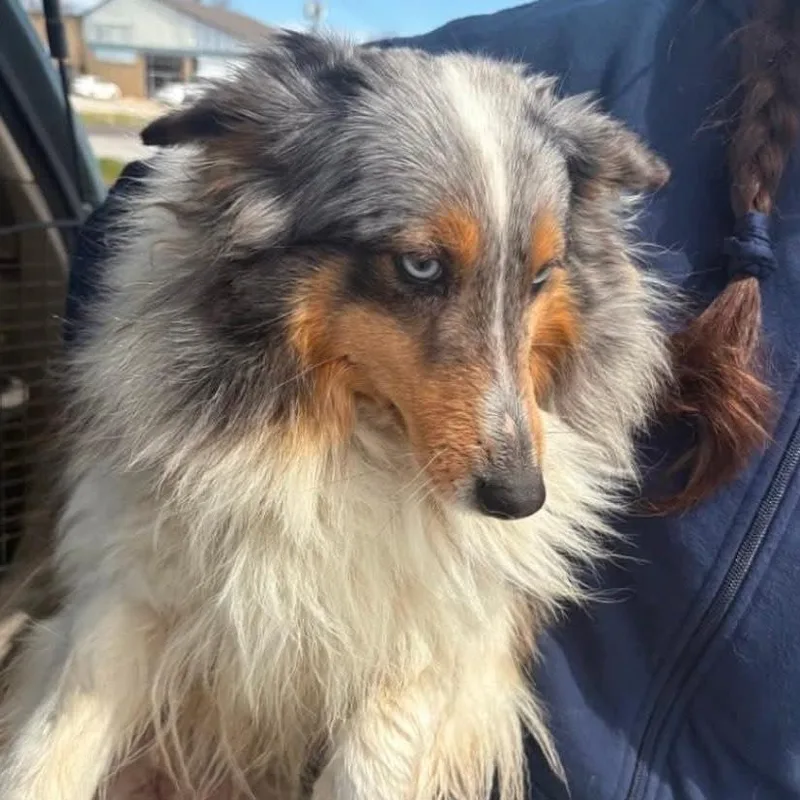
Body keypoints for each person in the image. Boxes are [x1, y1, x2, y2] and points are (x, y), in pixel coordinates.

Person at [64, 0, 800, 797]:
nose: (502, 425)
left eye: (538, 280)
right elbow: (148, 230)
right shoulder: (628, 42)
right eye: (420, 267)